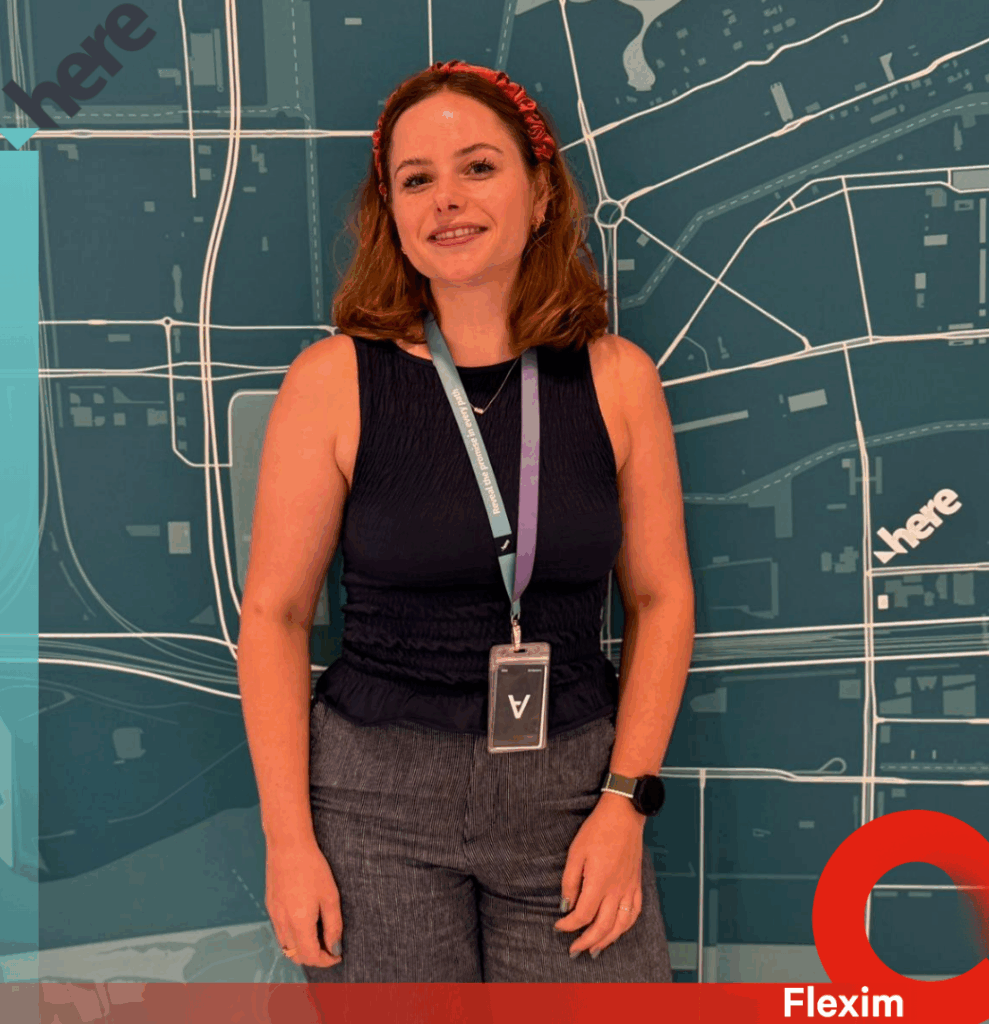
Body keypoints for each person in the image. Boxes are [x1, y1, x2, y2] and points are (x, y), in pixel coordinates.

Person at [236, 59, 695, 983]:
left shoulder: (618, 379)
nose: (446, 199)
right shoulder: (331, 382)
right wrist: (289, 845)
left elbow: (660, 599)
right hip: (374, 808)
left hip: (573, 796)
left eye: (478, 167)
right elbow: (275, 618)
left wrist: (624, 805)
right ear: (393, 215)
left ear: (540, 193)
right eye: (416, 180)